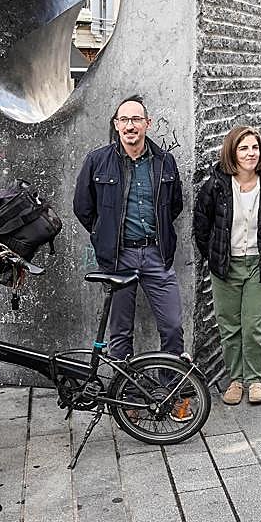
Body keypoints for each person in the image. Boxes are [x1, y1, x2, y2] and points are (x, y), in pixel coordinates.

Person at [73, 95, 190, 419]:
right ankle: (128, 397)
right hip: (118, 258)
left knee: (172, 325)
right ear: (116, 125)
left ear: (147, 124)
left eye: (136, 119)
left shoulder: (164, 162)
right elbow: (83, 207)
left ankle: (171, 391)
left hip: (154, 255)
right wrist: (105, 235)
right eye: (123, 120)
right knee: (120, 331)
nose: (130, 126)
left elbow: (175, 204)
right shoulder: (97, 161)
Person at [193, 125, 261, 405]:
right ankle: (235, 379)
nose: (250, 153)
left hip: (257, 265)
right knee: (229, 325)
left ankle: (255, 379)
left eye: (255, 147)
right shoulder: (216, 185)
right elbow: (202, 226)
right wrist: (215, 256)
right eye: (244, 148)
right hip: (226, 265)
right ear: (232, 152)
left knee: (254, 325)